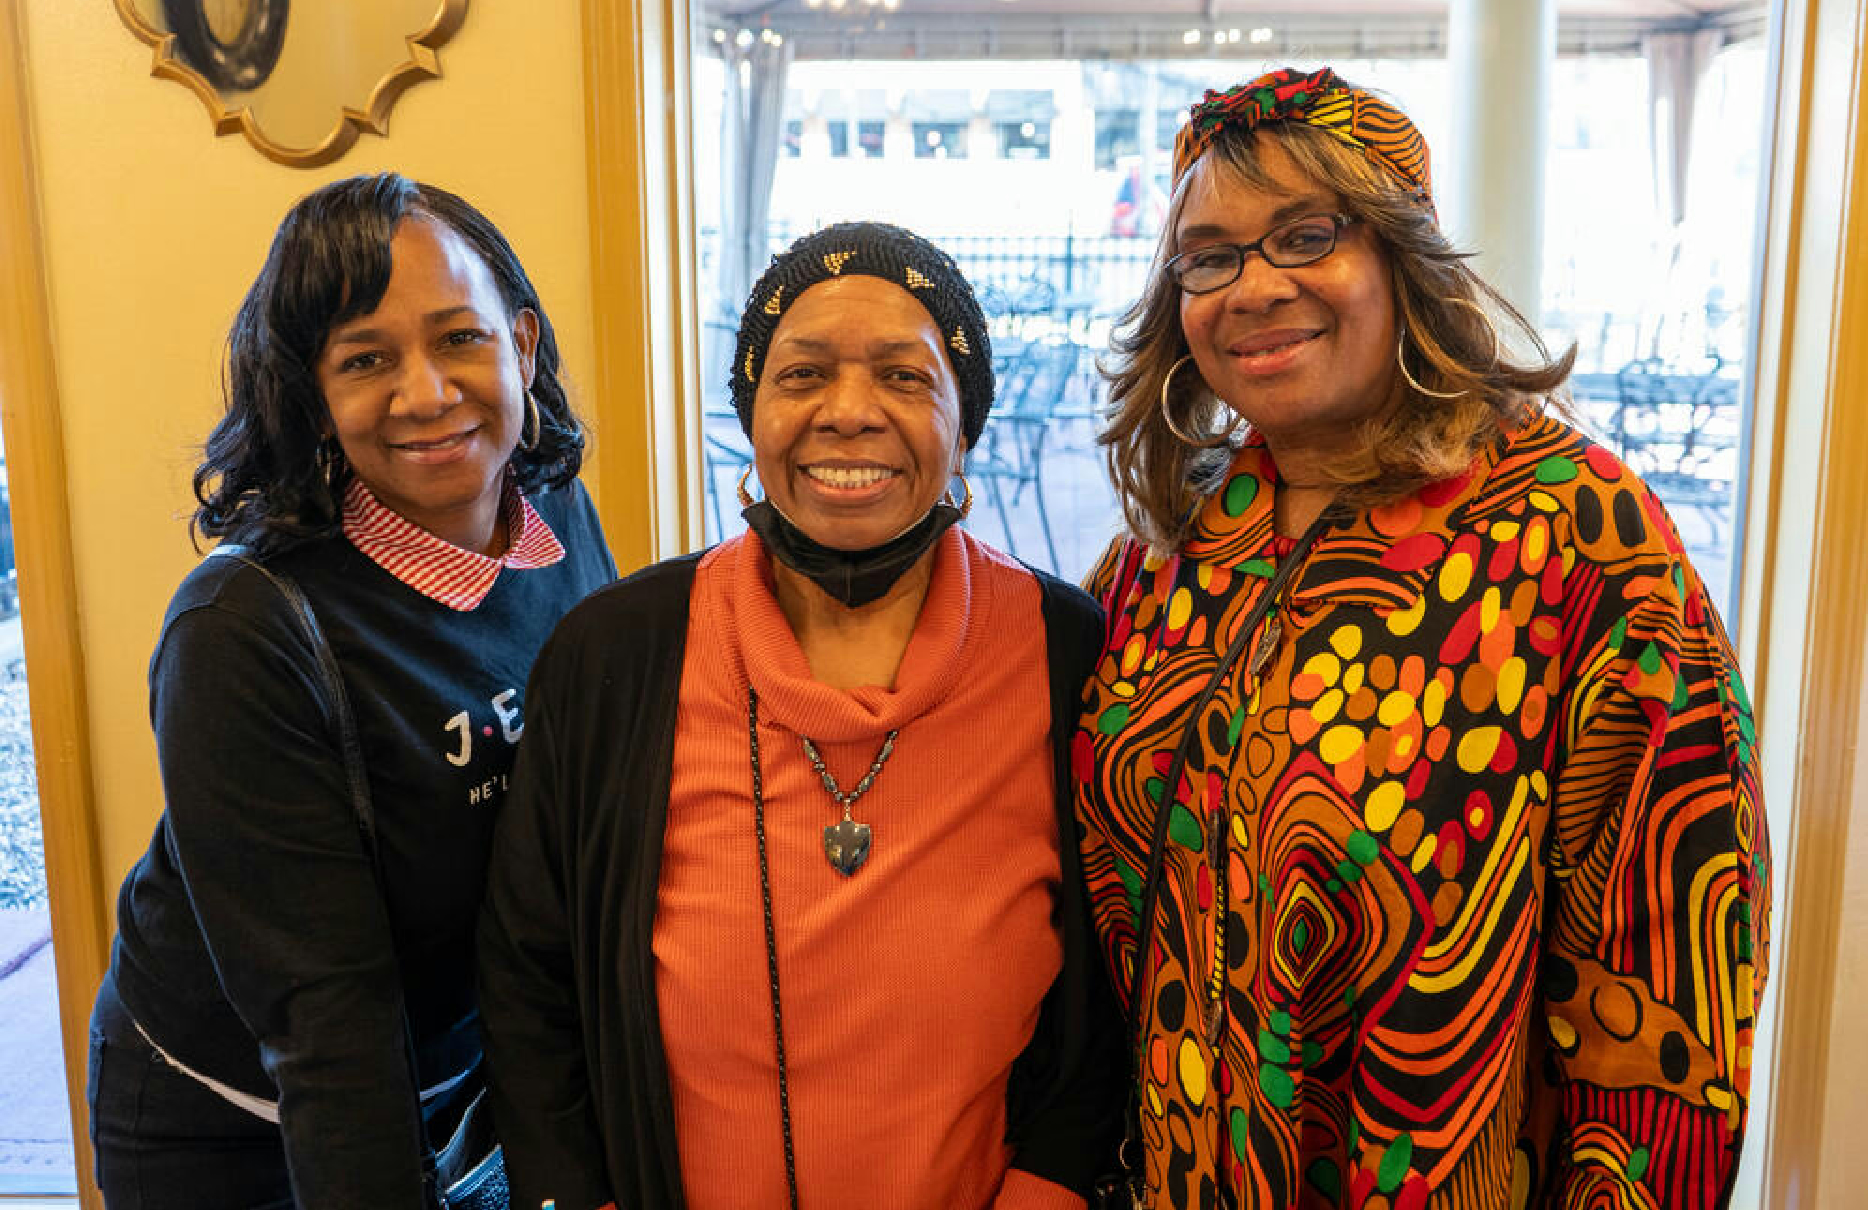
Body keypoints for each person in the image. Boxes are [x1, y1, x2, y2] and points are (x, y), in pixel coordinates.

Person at [1073, 67, 1770, 1209]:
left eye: (1306, 235)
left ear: (1405, 257)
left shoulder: (1574, 535)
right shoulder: (1171, 544)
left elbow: (1668, 971)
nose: (1254, 286)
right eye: (1209, 255)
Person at [478, 222, 1121, 1210]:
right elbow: (530, 979)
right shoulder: (613, 654)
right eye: (803, 374)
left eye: (904, 376)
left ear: (964, 424)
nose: (849, 412)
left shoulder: (1066, 648)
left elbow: (1111, 987)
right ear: (753, 414)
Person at [88, 174, 618, 1209]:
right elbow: (328, 1020)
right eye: (366, 359)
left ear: (522, 344)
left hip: (460, 1080)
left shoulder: (554, 508)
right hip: (247, 1125)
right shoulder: (239, 631)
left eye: (460, 338)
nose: (426, 393)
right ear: (311, 392)